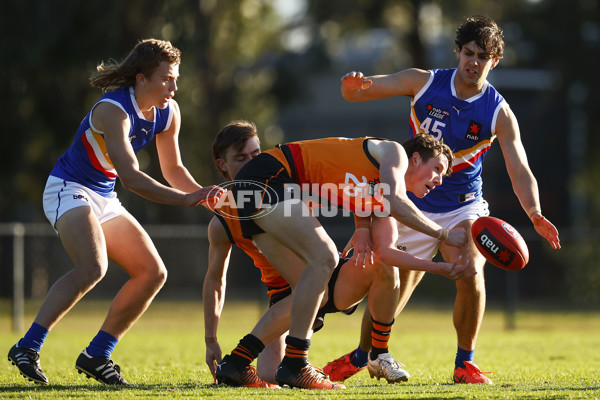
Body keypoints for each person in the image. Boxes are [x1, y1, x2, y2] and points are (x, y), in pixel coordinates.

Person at [322, 15, 561, 384]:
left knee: (470, 271)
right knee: (389, 281)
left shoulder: (498, 111)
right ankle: (363, 354)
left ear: (494, 62)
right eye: (468, 52)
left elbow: (520, 170)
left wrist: (535, 213)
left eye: (483, 56)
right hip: (412, 200)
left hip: (464, 204)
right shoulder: (425, 82)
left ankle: (465, 363)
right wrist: (352, 87)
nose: (473, 61)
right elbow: (361, 91)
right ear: (458, 51)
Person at [7, 39, 223, 386]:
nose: (174, 86)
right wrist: (186, 200)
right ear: (141, 79)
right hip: (68, 187)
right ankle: (27, 347)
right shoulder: (113, 110)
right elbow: (133, 178)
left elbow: (174, 169)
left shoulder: (170, 112)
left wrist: (203, 194)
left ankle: (97, 354)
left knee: (152, 272)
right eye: (167, 78)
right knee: (93, 267)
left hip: (103, 195)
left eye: (176, 78)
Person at [205, 122, 467, 389]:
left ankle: (236, 363)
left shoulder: (379, 194)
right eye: (437, 169)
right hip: (269, 177)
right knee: (326, 257)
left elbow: (386, 247)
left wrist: (365, 229)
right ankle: (296, 364)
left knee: (318, 293)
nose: (439, 180)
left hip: (253, 190)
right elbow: (396, 201)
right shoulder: (394, 152)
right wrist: (444, 234)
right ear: (415, 158)